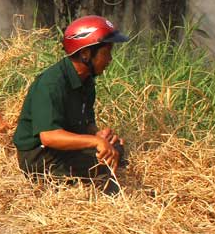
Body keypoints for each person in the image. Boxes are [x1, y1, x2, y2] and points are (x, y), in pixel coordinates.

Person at [14, 15, 130, 195]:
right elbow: (49, 137)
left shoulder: (86, 80)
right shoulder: (51, 84)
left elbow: (85, 123)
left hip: (61, 148)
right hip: (40, 156)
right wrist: (95, 141)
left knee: (116, 149)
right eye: (106, 53)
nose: (110, 59)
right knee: (102, 166)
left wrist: (99, 134)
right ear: (86, 54)